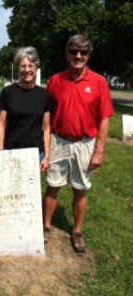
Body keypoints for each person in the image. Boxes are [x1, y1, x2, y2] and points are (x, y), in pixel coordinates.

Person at [43, 34, 114, 252]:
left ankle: (76, 231)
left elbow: (104, 119)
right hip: (58, 141)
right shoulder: (55, 81)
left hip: (84, 143)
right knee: (52, 186)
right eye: (74, 51)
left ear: (88, 55)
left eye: (83, 52)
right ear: (66, 54)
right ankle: (45, 227)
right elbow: (45, 116)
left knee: (79, 189)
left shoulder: (99, 82)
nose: (78, 56)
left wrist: (98, 151)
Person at [0, 46, 51, 173]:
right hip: (11, 152)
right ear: (17, 69)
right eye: (23, 66)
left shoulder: (44, 95)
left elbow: (46, 129)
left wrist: (46, 157)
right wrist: (0, 153)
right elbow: (1, 125)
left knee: (32, 192)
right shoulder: (7, 93)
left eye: (31, 65)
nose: (27, 70)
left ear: (36, 68)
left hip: (36, 154)